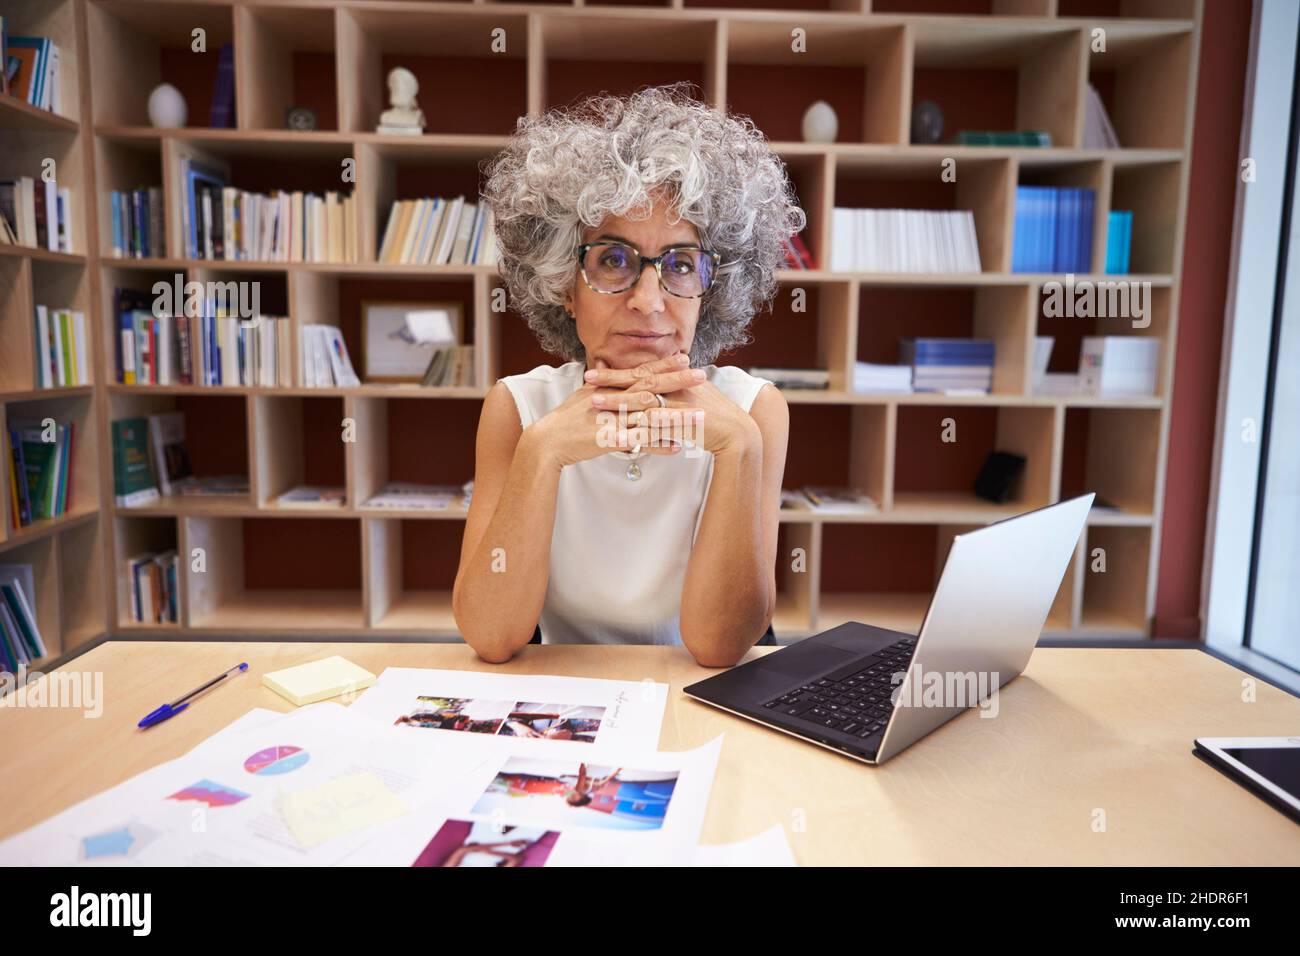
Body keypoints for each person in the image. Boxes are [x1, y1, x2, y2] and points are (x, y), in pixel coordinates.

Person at [454, 82, 805, 666]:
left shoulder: (755, 412)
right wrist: (543, 449)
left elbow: (720, 649)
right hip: (570, 704)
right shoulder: (519, 408)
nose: (648, 300)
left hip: (703, 708)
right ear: (565, 285)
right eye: (614, 259)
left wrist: (739, 446)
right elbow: (491, 635)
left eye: (680, 265)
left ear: (709, 290)